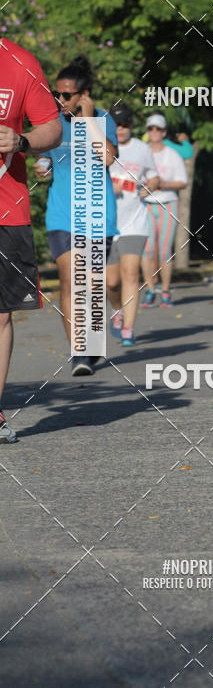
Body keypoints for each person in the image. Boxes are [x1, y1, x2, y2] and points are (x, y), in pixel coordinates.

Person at [34, 55, 117, 377]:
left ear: (84, 95)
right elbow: (44, 159)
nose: (60, 100)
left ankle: (91, 344)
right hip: (62, 216)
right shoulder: (52, 123)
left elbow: (108, 158)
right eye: (57, 94)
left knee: (93, 286)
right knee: (70, 282)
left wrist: (86, 119)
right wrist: (43, 165)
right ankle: (79, 352)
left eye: (67, 95)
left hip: (98, 216)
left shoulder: (103, 119)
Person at [0, 38, 61, 442]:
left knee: (0, 314)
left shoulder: (20, 62)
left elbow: (51, 128)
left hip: (6, 208)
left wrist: (20, 141)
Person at [107, 103, 159, 347]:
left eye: (125, 125)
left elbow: (154, 176)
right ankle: (117, 311)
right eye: (117, 124)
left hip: (135, 222)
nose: (121, 129)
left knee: (130, 274)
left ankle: (128, 327)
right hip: (107, 223)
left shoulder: (141, 149)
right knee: (111, 282)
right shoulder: (102, 146)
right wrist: (109, 187)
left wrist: (148, 187)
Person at [140, 113, 188, 307]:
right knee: (147, 249)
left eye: (158, 129)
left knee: (164, 250)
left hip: (167, 204)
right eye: (150, 128)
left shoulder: (172, 154)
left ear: (164, 132)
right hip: (146, 205)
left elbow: (182, 182)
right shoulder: (141, 152)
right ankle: (150, 289)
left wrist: (162, 183)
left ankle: (166, 290)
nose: (154, 132)